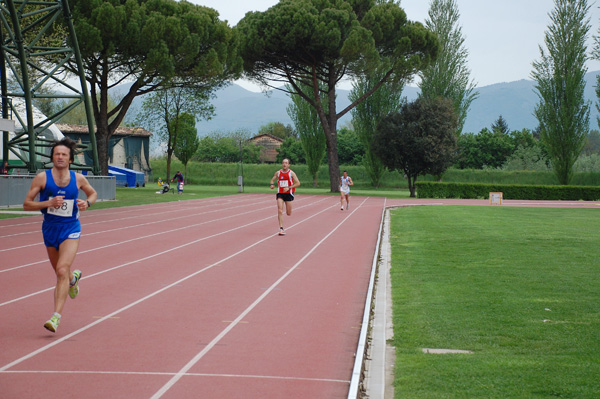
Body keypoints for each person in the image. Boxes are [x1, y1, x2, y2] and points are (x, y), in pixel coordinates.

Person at [23, 137, 97, 333]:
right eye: (57, 154)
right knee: (60, 271)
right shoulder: (42, 178)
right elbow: (27, 204)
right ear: (52, 157)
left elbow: (93, 194)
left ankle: (55, 318)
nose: (60, 157)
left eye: (64, 154)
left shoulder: (78, 178)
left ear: (70, 159)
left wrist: (87, 203)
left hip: (71, 228)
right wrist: (48, 203)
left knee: (62, 270)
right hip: (50, 229)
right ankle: (73, 280)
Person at [270, 158, 300, 236]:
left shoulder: (291, 173)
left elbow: (298, 183)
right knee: (280, 210)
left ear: (289, 165)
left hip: (289, 193)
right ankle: (281, 228)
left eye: (286, 163)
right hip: (280, 193)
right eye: (283, 163)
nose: (284, 164)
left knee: (288, 213)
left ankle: (282, 225)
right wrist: (272, 185)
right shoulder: (278, 173)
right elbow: (272, 180)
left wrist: (289, 187)